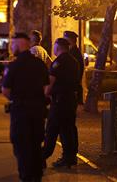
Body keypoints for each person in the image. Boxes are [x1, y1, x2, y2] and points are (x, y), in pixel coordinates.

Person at [1, 32, 49, 182]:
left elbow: (5, 90)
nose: (11, 47)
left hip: (20, 111)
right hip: (38, 110)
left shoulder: (14, 65)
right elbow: (46, 88)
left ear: (19, 44)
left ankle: (27, 176)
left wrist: (16, 99)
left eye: (13, 44)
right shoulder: (40, 64)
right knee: (35, 142)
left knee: (21, 144)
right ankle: (37, 174)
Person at [42, 38, 80, 168]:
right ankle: (70, 157)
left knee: (52, 128)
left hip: (59, 101)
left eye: (54, 46)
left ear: (58, 47)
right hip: (71, 100)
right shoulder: (74, 61)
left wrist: (44, 95)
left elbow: (50, 82)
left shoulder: (58, 62)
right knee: (68, 129)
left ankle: (42, 156)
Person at [64, 31, 84, 105]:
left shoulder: (74, 53)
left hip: (74, 85)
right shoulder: (71, 51)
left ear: (70, 40)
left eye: (65, 39)